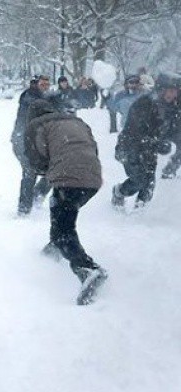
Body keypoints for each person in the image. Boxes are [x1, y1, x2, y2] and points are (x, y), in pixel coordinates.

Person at [24, 99, 108, 305]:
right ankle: (53, 249)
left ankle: (88, 269)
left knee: (63, 229)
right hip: (93, 179)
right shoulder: (76, 121)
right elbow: (93, 148)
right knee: (63, 213)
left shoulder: (37, 125)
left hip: (67, 179)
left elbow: (36, 160)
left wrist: (46, 169)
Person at [112, 73, 179, 209]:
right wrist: (156, 142)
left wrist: (171, 144)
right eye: (169, 90)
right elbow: (134, 132)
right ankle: (119, 192)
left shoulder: (175, 108)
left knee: (149, 184)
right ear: (161, 89)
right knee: (139, 180)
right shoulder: (144, 104)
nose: (171, 94)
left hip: (150, 150)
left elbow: (176, 130)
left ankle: (140, 212)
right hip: (130, 147)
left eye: (175, 90)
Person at [11, 75, 51, 216]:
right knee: (30, 172)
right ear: (36, 84)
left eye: (47, 84)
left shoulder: (44, 99)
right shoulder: (30, 97)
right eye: (42, 84)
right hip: (23, 140)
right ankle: (23, 209)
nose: (45, 86)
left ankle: (37, 195)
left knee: (53, 170)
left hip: (38, 142)